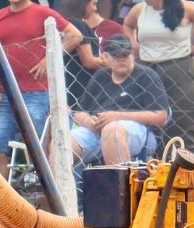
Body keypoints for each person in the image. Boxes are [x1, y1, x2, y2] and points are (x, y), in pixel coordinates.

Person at [0, 0, 86, 176]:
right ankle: (2, 200)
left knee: (39, 146)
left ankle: (45, 192)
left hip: (37, 92)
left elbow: (75, 35)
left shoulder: (43, 13)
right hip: (4, 93)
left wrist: (49, 58)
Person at [124, 0, 194, 153]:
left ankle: (186, 163)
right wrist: (133, 44)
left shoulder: (185, 8)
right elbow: (128, 25)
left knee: (183, 118)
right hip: (148, 68)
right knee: (151, 117)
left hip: (179, 67)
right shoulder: (139, 9)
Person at [71, 34, 169, 166]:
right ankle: (60, 185)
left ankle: (119, 185)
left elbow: (161, 116)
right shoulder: (100, 76)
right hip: (97, 130)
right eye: (116, 56)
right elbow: (78, 112)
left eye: (125, 56)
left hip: (138, 131)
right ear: (105, 57)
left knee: (112, 131)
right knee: (63, 141)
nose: (121, 60)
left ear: (132, 55)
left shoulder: (146, 75)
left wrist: (117, 116)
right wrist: (89, 122)